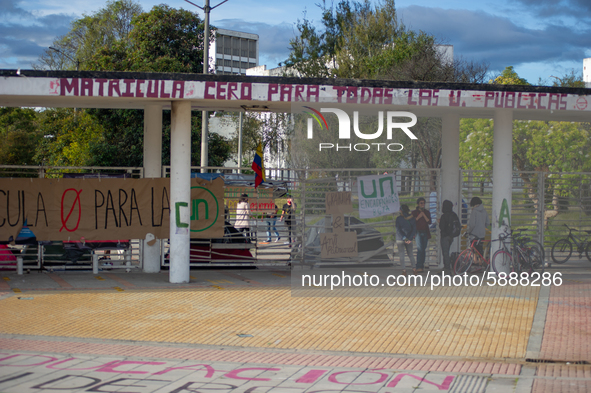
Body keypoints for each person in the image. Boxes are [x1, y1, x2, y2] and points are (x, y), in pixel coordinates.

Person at [438, 200, 459, 271]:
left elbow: (442, 227)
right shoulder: (454, 215)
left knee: (445, 252)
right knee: (447, 251)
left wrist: (439, 222)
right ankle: (448, 266)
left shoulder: (444, 216)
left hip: (445, 236)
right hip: (451, 237)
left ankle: (447, 268)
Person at [395, 204, 416, 275]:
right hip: (409, 239)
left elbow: (398, 230)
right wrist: (409, 238)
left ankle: (404, 271)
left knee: (401, 254)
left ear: (401, 210)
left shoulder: (398, 219)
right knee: (410, 254)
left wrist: (404, 238)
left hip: (400, 239)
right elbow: (414, 230)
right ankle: (414, 269)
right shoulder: (412, 218)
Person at [412, 197, 432, 272]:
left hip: (425, 232)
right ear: (418, 204)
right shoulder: (414, 212)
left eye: (423, 203)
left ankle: (421, 265)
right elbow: (412, 222)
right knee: (420, 249)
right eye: (421, 203)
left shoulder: (426, 212)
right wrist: (418, 217)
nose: (423, 204)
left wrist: (423, 215)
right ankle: (419, 266)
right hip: (418, 232)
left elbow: (429, 221)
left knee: (423, 249)